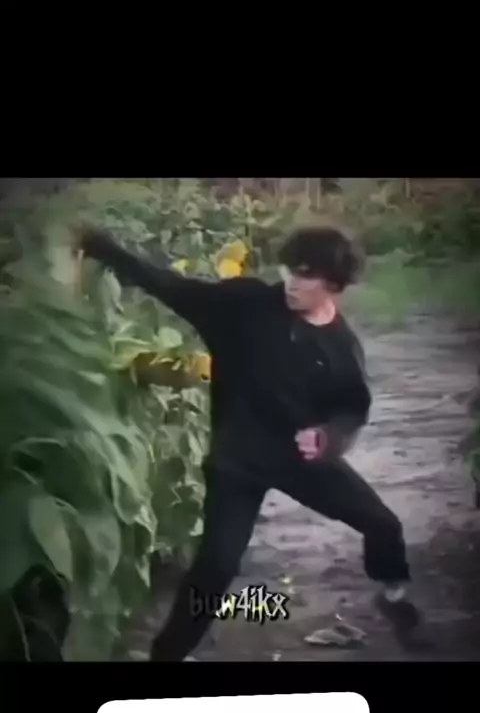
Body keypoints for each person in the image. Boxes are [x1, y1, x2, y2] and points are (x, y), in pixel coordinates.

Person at [75, 223, 419, 661]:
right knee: (215, 569)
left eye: (306, 275)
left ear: (334, 285)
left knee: (384, 525)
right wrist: (104, 247)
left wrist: (327, 437)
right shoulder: (245, 304)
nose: (291, 281)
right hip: (237, 460)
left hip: (300, 459)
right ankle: (167, 656)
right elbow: (172, 287)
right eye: (290, 269)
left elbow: (352, 408)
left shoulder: (340, 345)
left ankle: (392, 595)